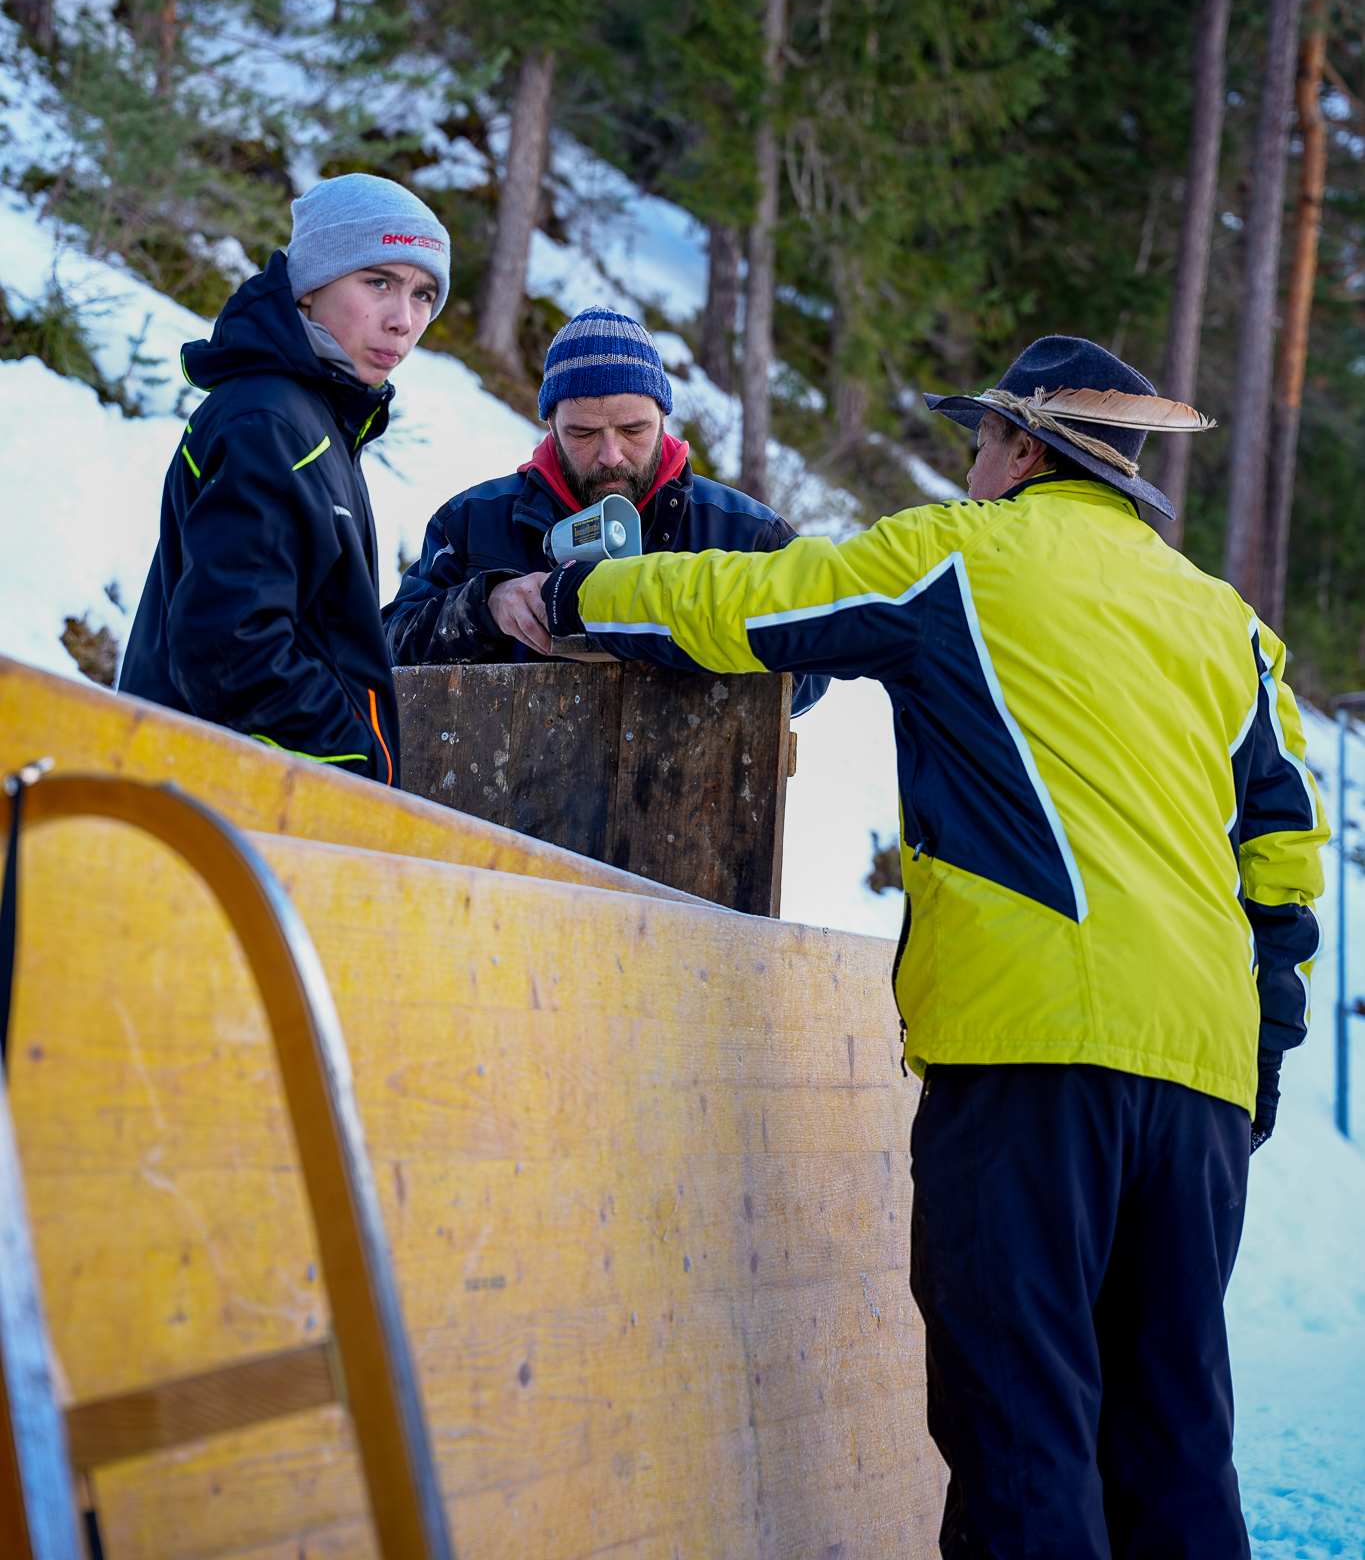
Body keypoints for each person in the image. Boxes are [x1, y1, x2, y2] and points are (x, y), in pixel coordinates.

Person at [532, 333, 1327, 1560]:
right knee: (1174, 1441)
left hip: (1030, 1055)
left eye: (980, 443)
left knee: (1023, 1439)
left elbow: (754, 602)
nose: (969, 467)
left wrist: (579, 596)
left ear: (1024, 450)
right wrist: (1263, 1046)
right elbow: (1284, 853)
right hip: (1205, 1079)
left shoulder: (960, 554)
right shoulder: (1231, 625)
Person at [120, 173, 451, 786]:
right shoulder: (273, 424)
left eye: (424, 294)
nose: (403, 320)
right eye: (379, 282)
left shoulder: (316, 420)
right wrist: (351, 762)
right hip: (226, 799)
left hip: (246, 793)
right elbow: (229, 647)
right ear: (309, 287)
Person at [383, 304, 829, 715]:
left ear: (664, 416)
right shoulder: (472, 521)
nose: (611, 456)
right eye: (583, 433)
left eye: (634, 430)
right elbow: (387, 647)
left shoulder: (747, 533)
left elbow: (813, 669)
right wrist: (486, 606)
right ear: (552, 423)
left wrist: (704, 627)